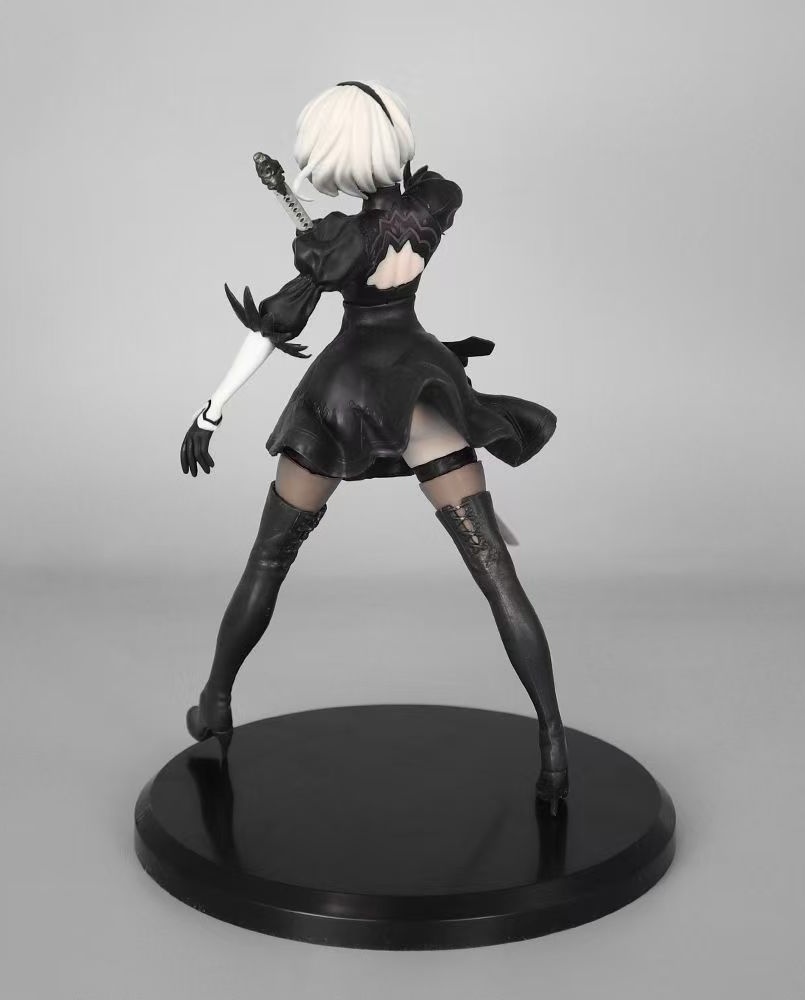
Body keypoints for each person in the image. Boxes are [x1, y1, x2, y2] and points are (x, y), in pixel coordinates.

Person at [179, 81, 568, 810]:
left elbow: (271, 329)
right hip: (420, 380)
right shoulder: (435, 205)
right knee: (497, 573)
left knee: (269, 558)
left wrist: (212, 409)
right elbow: (396, 211)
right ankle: (552, 742)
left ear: (337, 158)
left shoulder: (337, 242)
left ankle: (216, 701)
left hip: (346, 393)